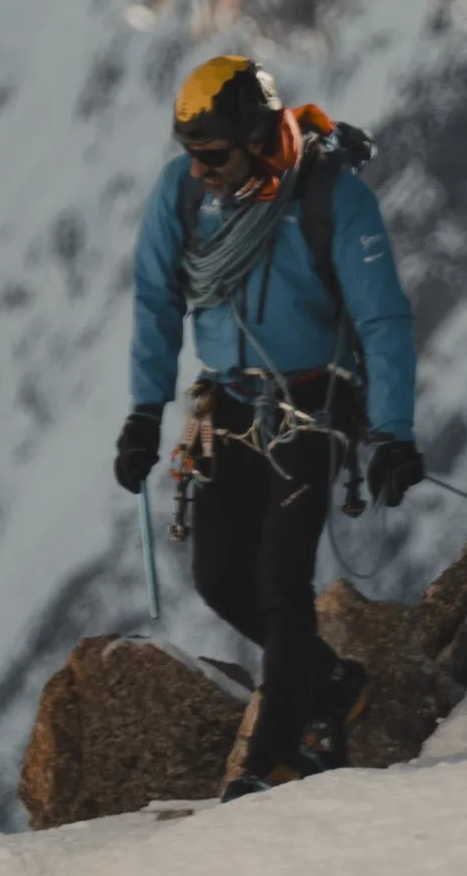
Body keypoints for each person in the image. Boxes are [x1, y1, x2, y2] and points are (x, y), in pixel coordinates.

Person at [114, 54, 423, 788]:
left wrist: (392, 433)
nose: (199, 171)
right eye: (191, 154)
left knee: (282, 583)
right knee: (220, 578)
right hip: (227, 405)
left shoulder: (332, 198)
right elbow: (156, 298)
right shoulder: (182, 193)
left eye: (214, 155)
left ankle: (274, 757)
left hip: (312, 407)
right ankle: (332, 684)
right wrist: (143, 413)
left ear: (256, 138)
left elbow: (382, 319)